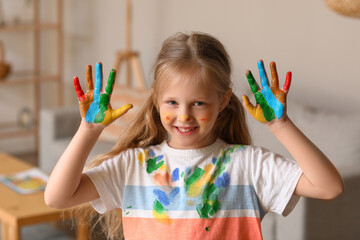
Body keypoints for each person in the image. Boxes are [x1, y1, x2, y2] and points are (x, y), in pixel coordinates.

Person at [44, 32, 343, 240]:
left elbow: (328, 187)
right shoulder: (134, 165)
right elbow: (57, 196)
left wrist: (280, 125)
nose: (184, 116)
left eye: (198, 103)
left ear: (223, 101)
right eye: (172, 102)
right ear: (157, 99)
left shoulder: (247, 165)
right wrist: (88, 130)